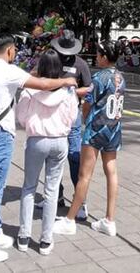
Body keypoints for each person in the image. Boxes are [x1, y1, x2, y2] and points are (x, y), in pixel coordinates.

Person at [0, 34, 76, 263]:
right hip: (1, 135)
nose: (15, 53)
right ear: (8, 51)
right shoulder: (9, 71)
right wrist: (65, 81)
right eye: (14, 49)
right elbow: (44, 84)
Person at [55, 43, 126, 238]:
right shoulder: (121, 78)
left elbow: (87, 104)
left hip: (96, 129)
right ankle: (110, 219)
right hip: (114, 128)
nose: (96, 57)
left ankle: (70, 219)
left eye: (98, 54)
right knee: (112, 172)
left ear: (104, 57)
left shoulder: (99, 77)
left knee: (84, 175)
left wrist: (85, 120)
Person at [16, 49, 77, 254]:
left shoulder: (29, 91)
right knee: (51, 191)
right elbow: (72, 118)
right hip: (59, 141)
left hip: (36, 140)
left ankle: (24, 236)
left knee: (29, 188)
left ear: (40, 67)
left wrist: (33, 126)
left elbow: (22, 117)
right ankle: (45, 239)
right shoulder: (67, 91)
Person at [49, 29, 93, 219]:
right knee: (52, 156)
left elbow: (90, 88)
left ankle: (80, 201)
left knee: (75, 157)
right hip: (52, 114)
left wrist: (73, 91)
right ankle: (55, 195)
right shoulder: (52, 59)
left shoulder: (81, 64)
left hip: (72, 116)